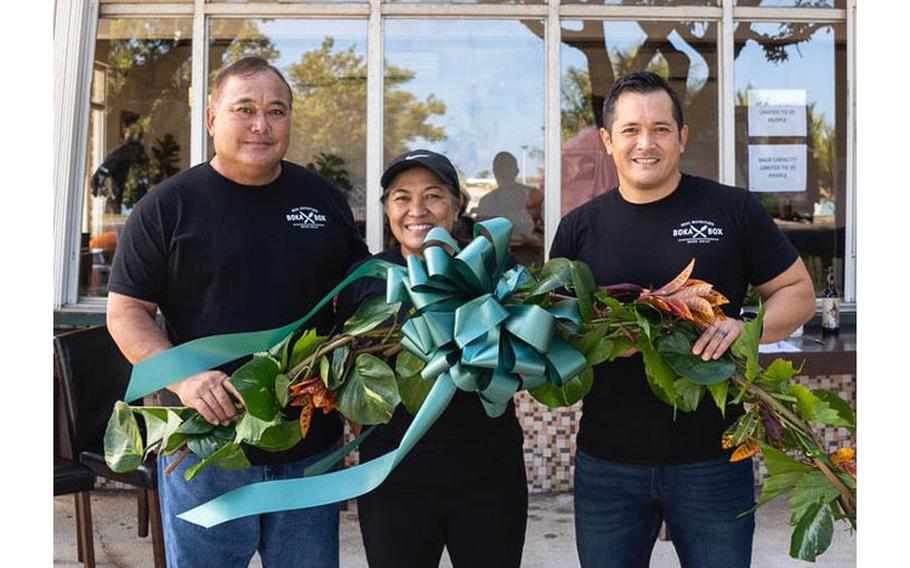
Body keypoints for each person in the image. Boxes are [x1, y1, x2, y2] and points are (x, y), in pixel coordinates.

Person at [106, 56, 369, 568]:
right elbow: (127, 312)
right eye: (244, 109)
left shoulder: (321, 198)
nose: (260, 124)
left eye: (276, 111)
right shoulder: (166, 207)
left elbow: (357, 295)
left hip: (308, 447)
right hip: (208, 449)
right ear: (211, 118)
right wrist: (185, 379)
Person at [549, 71, 816, 568]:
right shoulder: (578, 230)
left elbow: (798, 293)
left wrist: (746, 329)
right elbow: (556, 335)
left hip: (713, 461)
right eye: (630, 130)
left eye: (661, 129)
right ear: (608, 141)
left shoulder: (731, 209)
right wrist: (597, 341)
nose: (645, 143)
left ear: (682, 136)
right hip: (608, 463)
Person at [337, 150, 528, 568]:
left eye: (434, 196)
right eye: (402, 197)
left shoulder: (496, 268)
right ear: (386, 208)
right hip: (394, 477)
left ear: (457, 206)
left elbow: (525, 360)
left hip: (487, 474)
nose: (417, 210)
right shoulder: (366, 280)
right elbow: (342, 372)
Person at [475, 151, 542, 243]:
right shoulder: (487, 201)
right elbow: (483, 237)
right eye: (500, 169)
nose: (504, 173)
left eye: (507, 168)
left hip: (534, 254)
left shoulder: (532, 195)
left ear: (516, 171)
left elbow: (546, 229)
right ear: (495, 172)